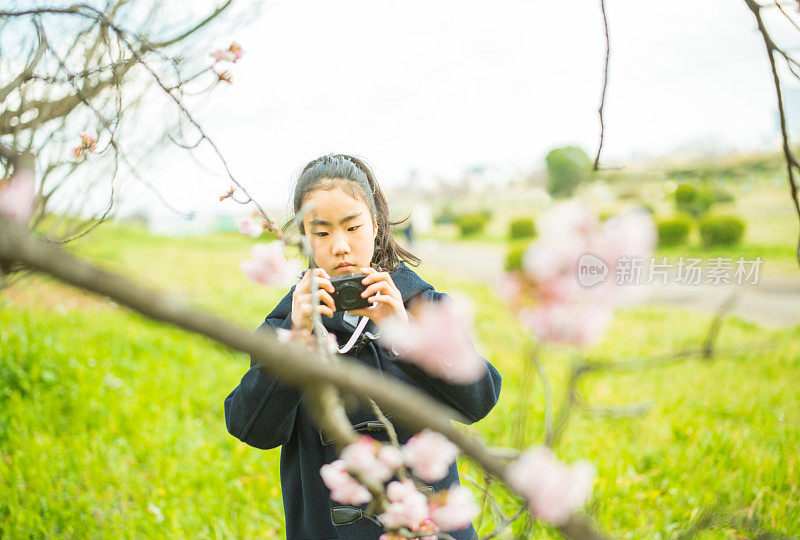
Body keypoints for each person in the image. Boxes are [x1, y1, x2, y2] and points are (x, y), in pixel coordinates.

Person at [224, 154, 502, 540]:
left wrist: (406, 335)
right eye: (321, 233)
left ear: (375, 226)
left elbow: (480, 400)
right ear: (304, 238)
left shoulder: (425, 307)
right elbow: (252, 429)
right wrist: (295, 337)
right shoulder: (286, 324)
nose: (340, 246)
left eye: (352, 227)